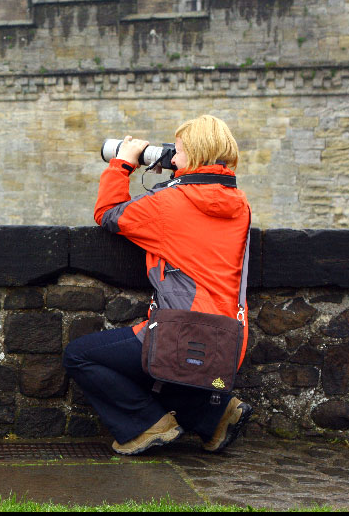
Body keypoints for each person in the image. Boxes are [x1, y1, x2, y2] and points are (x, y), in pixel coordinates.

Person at [63, 114, 253, 455]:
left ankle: (147, 424)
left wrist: (123, 163)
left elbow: (108, 214)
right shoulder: (239, 205)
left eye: (177, 152)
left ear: (192, 156)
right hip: (227, 340)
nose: (172, 158)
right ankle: (214, 412)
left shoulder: (168, 203)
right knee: (155, 371)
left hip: (183, 336)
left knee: (79, 356)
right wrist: (181, 176)